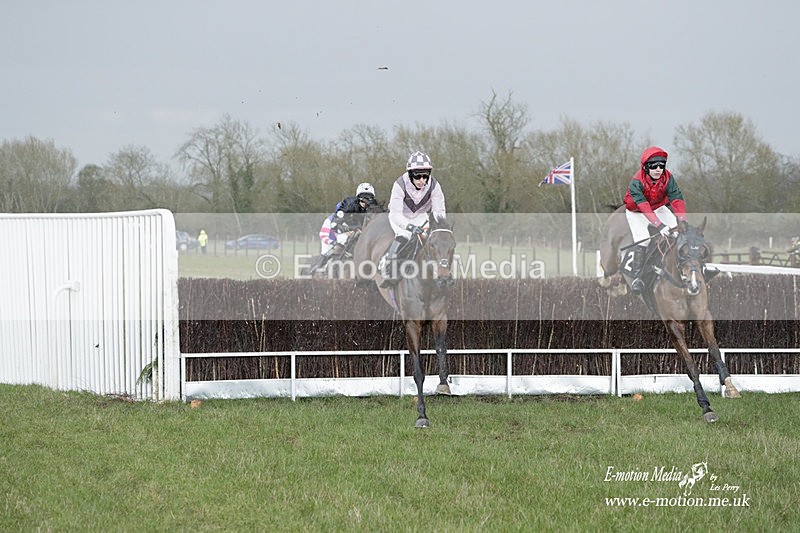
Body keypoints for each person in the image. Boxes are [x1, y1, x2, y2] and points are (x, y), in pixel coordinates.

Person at [623, 146, 688, 294]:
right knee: (644, 239)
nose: (658, 169)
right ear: (645, 167)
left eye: (661, 165)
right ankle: (637, 278)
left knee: (680, 233)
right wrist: (659, 225)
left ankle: (686, 269)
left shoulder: (668, 177)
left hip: (658, 207)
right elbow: (643, 205)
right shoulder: (636, 182)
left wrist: (682, 220)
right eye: (654, 166)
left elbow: (676, 198)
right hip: (637, 211)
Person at [380, 151, 446, 287]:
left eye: (425, 176)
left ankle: (442, 271)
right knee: (405, 235)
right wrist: (410, 226)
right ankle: (388, 265)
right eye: (418, 176)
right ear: (410, 175)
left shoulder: (434, 185)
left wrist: (438, 227)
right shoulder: (399, 184)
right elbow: (395, 213)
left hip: (421, 216)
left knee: (432, 239)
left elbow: (439, 211)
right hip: (400, 216)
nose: (422, 180)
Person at [317, 182, 377, 258]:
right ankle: (327, 266)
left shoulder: (367, 212)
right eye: (362, 200)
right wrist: (333, 242)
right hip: (331, 241)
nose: (365, 203)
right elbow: (325, 234)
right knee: (330, 252)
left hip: (347, 238)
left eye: (368, 200)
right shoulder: (330, 220)